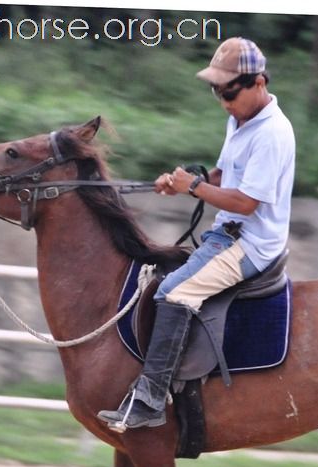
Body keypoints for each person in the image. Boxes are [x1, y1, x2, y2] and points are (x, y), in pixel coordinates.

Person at [98, 37, 296, 433]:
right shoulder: (239, 120)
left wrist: (193, 188)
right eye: (216, 90)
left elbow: (245, 203)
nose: (222, 99)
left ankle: (151, 399)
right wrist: (182, 181)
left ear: (258, 82)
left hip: (251, 245)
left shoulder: (272, 133)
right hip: (227, 234)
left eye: (229, 91)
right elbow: (224, 176)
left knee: (172, 291)